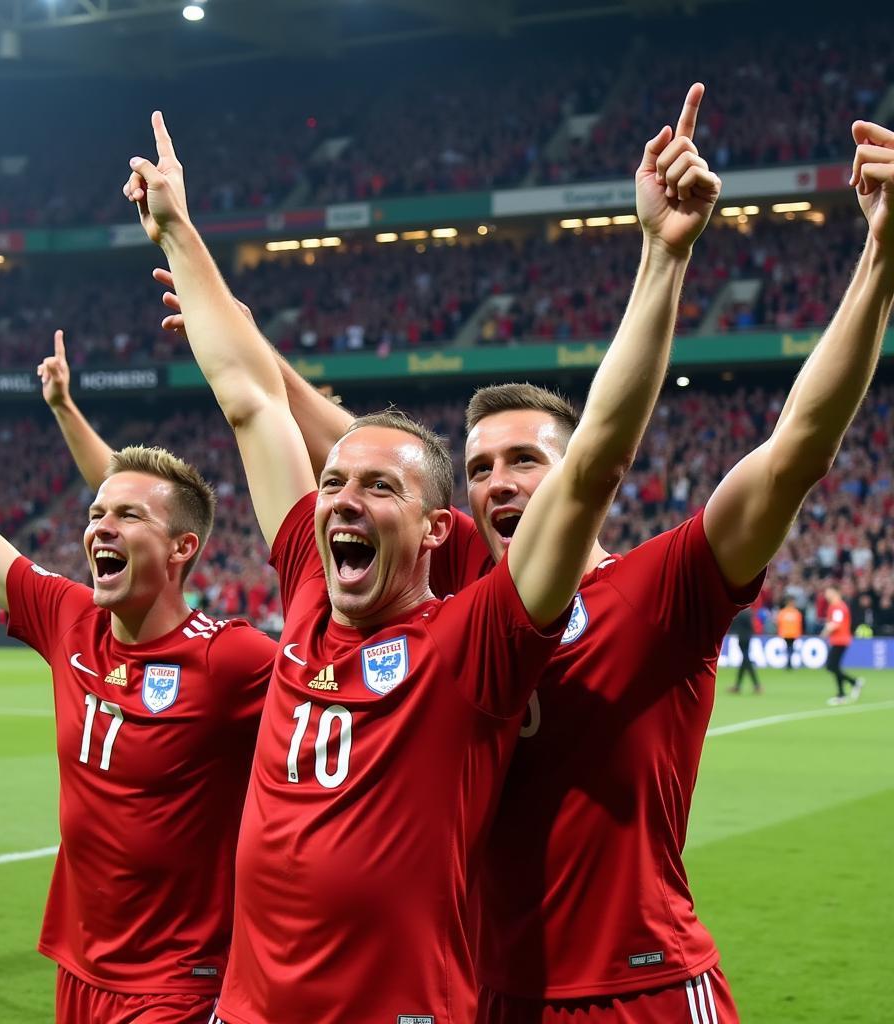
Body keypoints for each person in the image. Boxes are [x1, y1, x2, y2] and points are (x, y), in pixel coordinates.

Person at [122, 85, 716, 1023]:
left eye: (379, 488)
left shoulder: (472, 641)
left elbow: (595, 458)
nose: (343, 499)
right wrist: (178, 235)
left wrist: (661, 257)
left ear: (440, 532)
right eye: (334, 484)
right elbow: (249, 399)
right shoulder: (310, 584)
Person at [427, 118, 893, 1023]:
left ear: (574, 473)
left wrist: (881, 259)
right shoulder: (456, 601)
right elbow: (326, 455)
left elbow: (796, 449)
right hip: (489, 996)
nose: (497, 482)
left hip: (640, 992)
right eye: (478, 468)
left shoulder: (661, 588)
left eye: (525, 460)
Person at [0, 350, 278, 1023]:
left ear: (181, 548)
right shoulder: (70, 617)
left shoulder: (231, 656)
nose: (99, 528)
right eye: (95, 512)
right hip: (79, 965)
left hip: (181, 978)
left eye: (127, 516)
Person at [822, 584, 863, 705]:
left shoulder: (838, 607)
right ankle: (841, 695)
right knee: (835, 667)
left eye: (828, 592)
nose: (826, 595)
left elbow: (836, 623)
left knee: (831, 666)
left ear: (836, 593)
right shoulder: (836, 606)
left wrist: (825, 631)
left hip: (840, 640)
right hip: (839, 640)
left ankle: (854, 682)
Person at [728, 605, 763, 693]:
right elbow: (752, 627)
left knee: (745, 661)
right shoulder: (749, 613)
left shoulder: (739, 613)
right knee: (746, 661)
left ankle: (739, 686)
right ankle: (755, 685)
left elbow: (733, 625)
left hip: (741, 639)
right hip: (747, 638)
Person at [776, 594, 804, 669]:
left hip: (793, 634)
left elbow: (799, 624)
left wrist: (799, 633)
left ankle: (789, 663)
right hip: (786, 634)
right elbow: (779, 624)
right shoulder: (783, 613)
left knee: (790, 648)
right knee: (789, 648)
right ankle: (789, 663)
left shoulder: (796, 613)